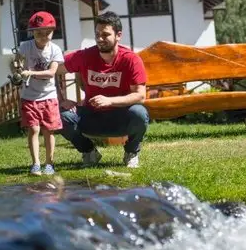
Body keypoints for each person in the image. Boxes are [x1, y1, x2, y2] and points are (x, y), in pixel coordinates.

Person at [56, 11, 149, 169]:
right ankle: (89, 152)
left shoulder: (131, 59)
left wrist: (110, 100)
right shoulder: (85, 56)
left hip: (121, 116)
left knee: (139, 114)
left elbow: (140, 96)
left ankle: (131, 152)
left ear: (118, 35)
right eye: (97, 34)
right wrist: (61, 98)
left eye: (105, 35)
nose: (100, 39)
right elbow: (53, 70)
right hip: (91, 115)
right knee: (59, 117)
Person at [17, 11, 64, 176]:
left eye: (47, 33)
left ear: (53, 32)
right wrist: (17, 70)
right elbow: (16, 63)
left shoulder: (55, 50)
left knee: (48, 131)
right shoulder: (25, 47)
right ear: (32, 32)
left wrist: (30, 73)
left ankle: (49, 163)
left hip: (49, 96)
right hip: (29, 96)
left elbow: (51, 73)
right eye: (38, 33)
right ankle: (36, 163)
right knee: (34, 129)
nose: (43, 36)